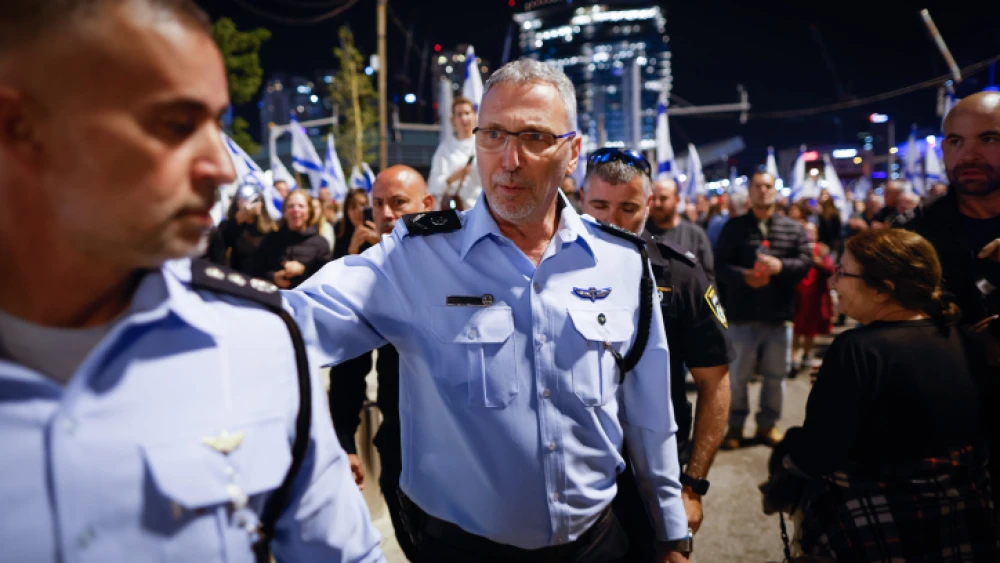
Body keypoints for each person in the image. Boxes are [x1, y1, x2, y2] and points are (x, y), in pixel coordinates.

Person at [0, 1, 383, 561]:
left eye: (218, 125)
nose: (223, 167)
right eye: (176, 125)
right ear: (21, 129)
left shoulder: (260, 345)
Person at [286, 58, 692, 562]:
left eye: (534, 137)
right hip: (462, 550)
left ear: (572, 153)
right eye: (493, 135)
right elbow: (295, 322)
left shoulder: (622, 261)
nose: (509, 159)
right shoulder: (417, 256)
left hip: (599, 544)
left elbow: (650, 416)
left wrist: (672, 533)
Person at [761, 229, 996, 561]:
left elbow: (819, 453)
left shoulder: (856, 349)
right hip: (965, 519)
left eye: (842, 273)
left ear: (882, 290)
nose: (832, 283)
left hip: (878, 527)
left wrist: (786, 458)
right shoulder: (963, 339)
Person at [580, 149, 732, 562]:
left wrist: (692, 486)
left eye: (628, 207)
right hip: (575, 475)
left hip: (655, 474)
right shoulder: (550, 271)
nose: (613, 220)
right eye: (599, 206)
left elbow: (714, 381)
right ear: (579, 199)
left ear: (649, 205)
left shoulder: (680, 274)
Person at [898, 90, 1000, 510]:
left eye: (989, 139)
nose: (969, 154)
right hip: (945, 432)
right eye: (956, 141)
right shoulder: (911, 233)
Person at [330, 165, 436, 562]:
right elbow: (348, 363)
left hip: (463, 453)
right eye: (378, 205)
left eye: (398, 203)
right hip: (401, 452)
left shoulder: (462, 266)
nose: (387, 214)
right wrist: (344, 439)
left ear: (427, 205)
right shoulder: (364, 276)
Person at [714, 172, 812, 449]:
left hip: (778, 316)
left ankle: (767, 425)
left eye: (768, 186)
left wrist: (780, 268)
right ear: (750, 192)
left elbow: (805, 261)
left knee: (775, 376)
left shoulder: (793, 228)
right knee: (738, 377)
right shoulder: (734, 227)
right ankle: (735, 426)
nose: (763, 190)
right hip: (742, 315)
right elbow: (719, 265)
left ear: (776, 191)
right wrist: (745, 276)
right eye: (758, 186)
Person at [255, 189, 332, 289]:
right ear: (285, 211)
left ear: (309, 211)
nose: (296, 210)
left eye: (301, 206)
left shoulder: (320, 243)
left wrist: (303, 270)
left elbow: (327, 277)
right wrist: (273, 277)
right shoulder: (271, 239)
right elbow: (255, 270)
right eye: (291, 206)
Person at [646, 178, 715, 281]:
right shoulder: (641, 232)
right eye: (653, 198)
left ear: (677, 200)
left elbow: (708, 277)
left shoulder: (695, 235)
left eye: (663, 198)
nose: (657, 204)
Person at [790, 223, 834, 377]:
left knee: (810, 329)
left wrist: (818, 262)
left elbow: (830, 270)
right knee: (796, 327)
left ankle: (807, 354)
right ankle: (793, 358)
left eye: (812, 231)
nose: (809, 234)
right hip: (798, 294)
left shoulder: (822, 249)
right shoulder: (796, 247)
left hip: (815, 294)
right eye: (806, 231)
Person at [428, 95, 482, 211]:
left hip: (479, 208)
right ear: (453, 119)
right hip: (455, 210)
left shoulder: (483, 145)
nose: (464, 118)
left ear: (474, 116)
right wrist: (452, 178)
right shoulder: (445, 149)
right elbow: (433, 185)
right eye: (459, 114)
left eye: (467, 113)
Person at [217, 183, 278, 276]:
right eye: (245, 199)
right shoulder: (228, 225)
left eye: (255, 200)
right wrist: (238, 220)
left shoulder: (272, 228)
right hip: (237, 279)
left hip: (263, 280)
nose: (250, 204)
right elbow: (219, 244)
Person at [333, 188, 376, 260]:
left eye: (363, 205)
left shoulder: (379, 226)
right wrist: (352, 251)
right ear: (347, 212)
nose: (359, 210)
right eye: (353, 207)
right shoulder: (340, 232)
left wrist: (379, 242)